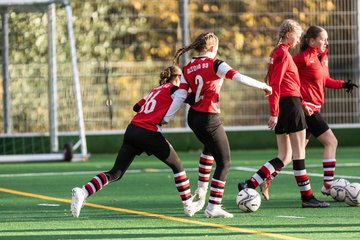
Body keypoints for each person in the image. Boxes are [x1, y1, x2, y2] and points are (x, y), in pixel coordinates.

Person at [162, 32, 272, 218]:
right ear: (213, 48)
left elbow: (180, 96)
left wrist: (167, 117)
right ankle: (214, 206)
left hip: (194, 118)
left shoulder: (187, 67)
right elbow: (239, 77)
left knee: (209, 149)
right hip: (209, 118)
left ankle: (202, 189)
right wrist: (263, 86)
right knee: (225, 162)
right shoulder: (216, 64)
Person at [70, 65, 200, 218]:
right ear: (178, 78)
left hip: (132, 130)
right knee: (177, 166)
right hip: (148, 132)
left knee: (115, 173)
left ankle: (83, 191)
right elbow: (190, 98)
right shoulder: (173, 89)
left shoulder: (155, 90)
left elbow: (137, 107)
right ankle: (188, 206)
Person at [258, 26, 358, 199]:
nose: (326, 42)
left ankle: (260, 179)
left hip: (311, 108)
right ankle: (326, 186)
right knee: (331, 142)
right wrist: (296, 100)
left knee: (289, 156)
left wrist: (343, 84)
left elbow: (325, 80)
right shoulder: (302, 57)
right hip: (306, 109)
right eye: (323, 38)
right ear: (311, 41)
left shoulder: (320, 58)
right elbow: (283, 70)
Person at [237, 19, 330, 208]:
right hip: (289, 106)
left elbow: (288, 84)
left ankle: (250, 184)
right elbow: (275, 85)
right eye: (297, 35)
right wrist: (274, 112)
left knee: (284, 156)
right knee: (299, 154)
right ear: (288, 34)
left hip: (290, 104)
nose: (299, 39)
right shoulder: (282, 53)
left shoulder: (279, 53)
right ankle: (307, 197)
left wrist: (302, 104)